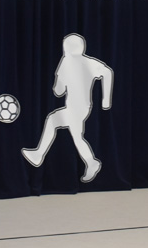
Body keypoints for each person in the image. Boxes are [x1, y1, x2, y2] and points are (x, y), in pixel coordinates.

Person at [23, 33, 113, 183]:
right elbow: (107, 72)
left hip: (78, 108)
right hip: (80, 107)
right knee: (74, 135)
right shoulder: (86, 62)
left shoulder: (67, 63)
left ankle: (39, 154)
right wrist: (105, 100)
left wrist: (106, 100)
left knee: (55, 121)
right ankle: (91, 162)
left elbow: (58, 91)